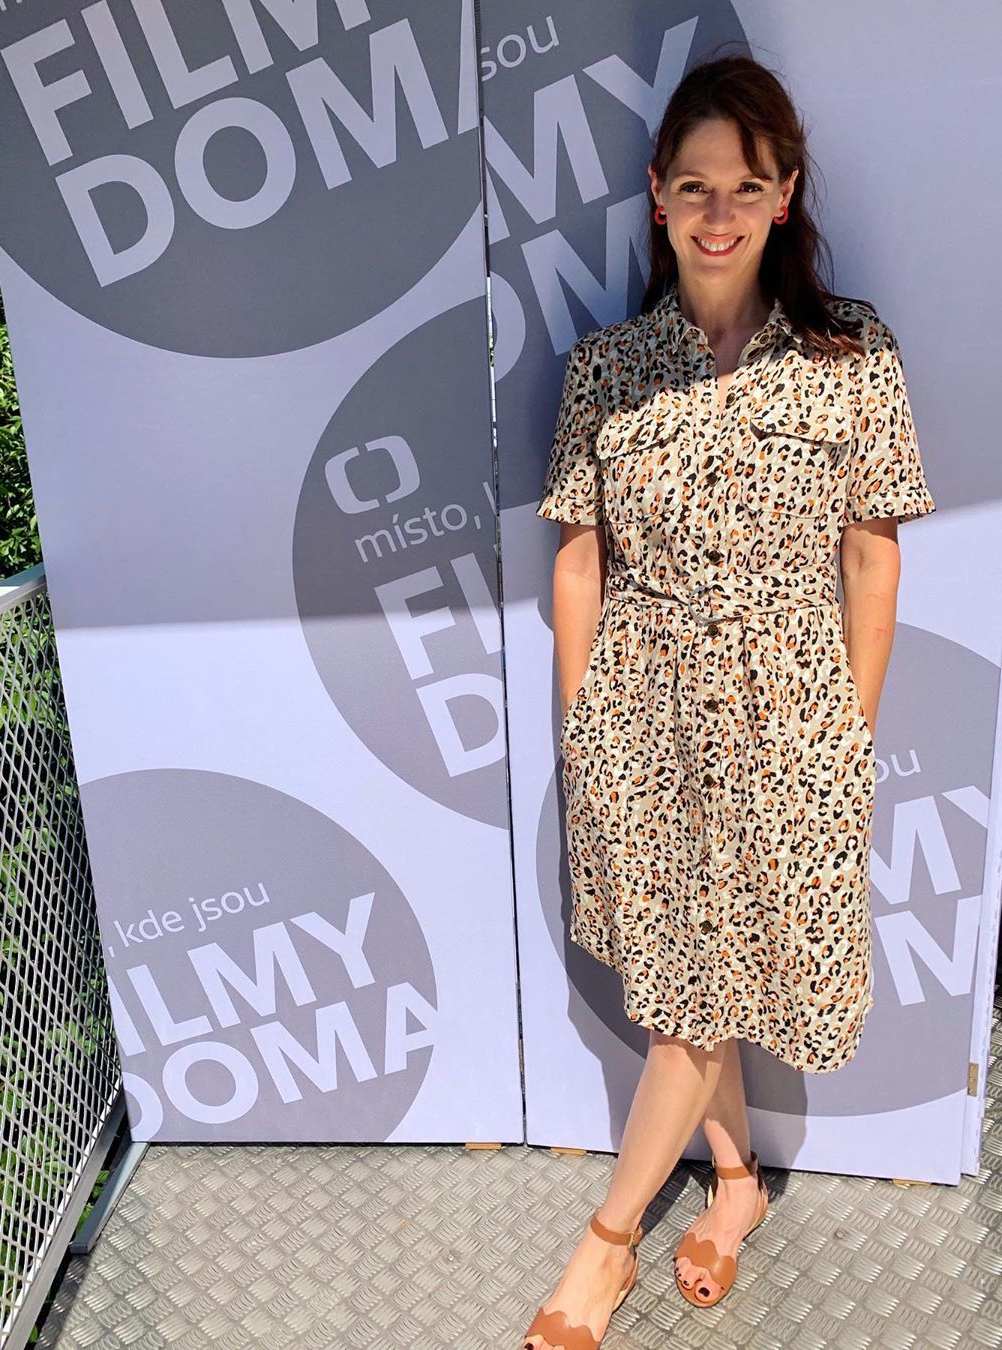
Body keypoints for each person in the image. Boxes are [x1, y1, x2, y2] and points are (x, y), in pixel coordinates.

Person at [522, 52, 936, 1350]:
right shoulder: (605, 368)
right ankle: (738, 1183)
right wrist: (586, 730)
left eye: (746, 185)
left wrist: (850, 735)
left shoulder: (851, 352)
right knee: (684, 988)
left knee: (709, 991)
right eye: (694, 185)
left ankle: (606, 1246)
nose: (718, 212)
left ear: (784, 193)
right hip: (640, 714)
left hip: (790, 716)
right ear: (657, 193)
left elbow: (872, 555)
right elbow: (578, 559)